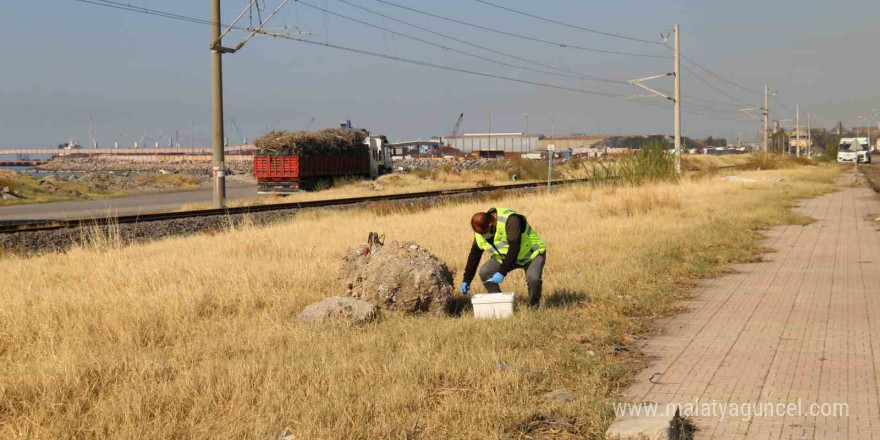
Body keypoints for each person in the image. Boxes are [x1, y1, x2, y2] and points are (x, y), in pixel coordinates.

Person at [460, 207, 547, 309]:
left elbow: (514, 248)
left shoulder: (511, 220)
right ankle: (502, 305)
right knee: (485, 273)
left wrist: (502, 271)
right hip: (505, 257)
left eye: (484, 233)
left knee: (533, 278)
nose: (482, 236)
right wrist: (466, 279)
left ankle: (533, 307)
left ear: (491, 225)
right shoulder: (480, 231)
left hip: (531, 255)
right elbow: (474, 255)